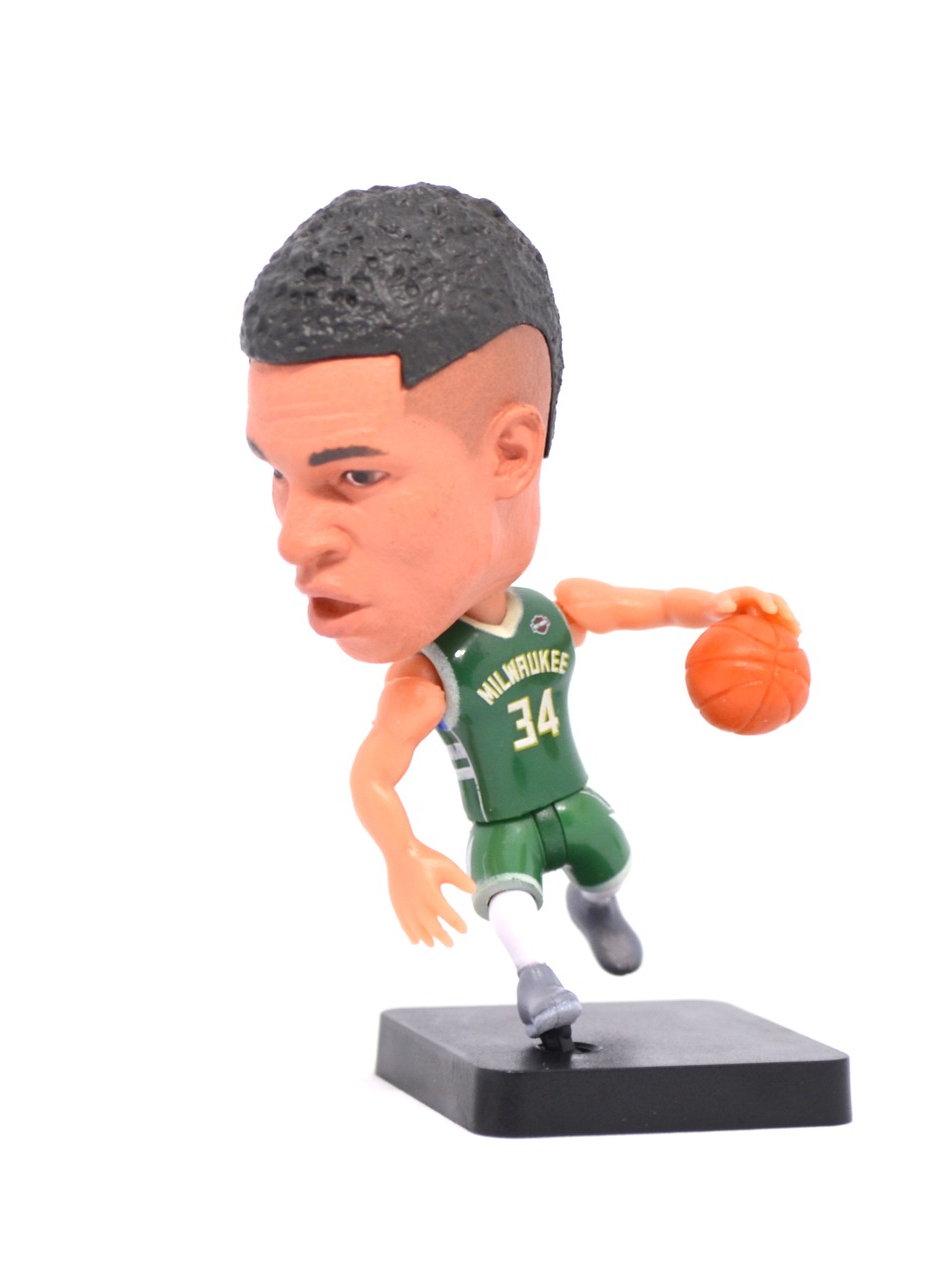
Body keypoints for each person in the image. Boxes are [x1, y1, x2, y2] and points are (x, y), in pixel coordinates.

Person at [242, 184, 797, 1043]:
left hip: (571, 801)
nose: (293, 538)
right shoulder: (429, 679)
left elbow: (642, 607)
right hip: (504, 825)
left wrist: (717, 608)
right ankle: (537, 977)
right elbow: (374, 774)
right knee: (506, 898)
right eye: (278, 474)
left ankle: (596, 908)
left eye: (356, 476)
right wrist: (402, 855)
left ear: (510, 452)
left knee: (609, 860)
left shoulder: (554, 613)